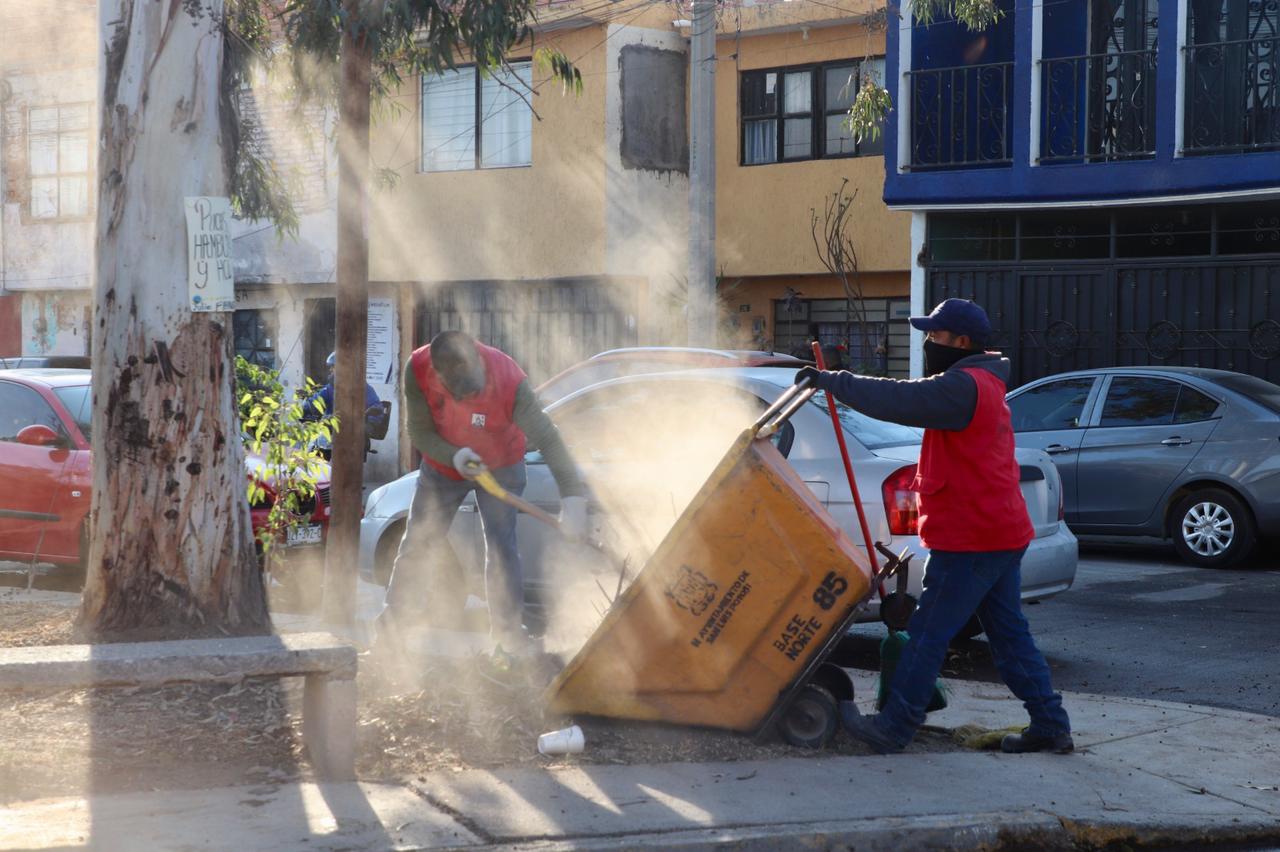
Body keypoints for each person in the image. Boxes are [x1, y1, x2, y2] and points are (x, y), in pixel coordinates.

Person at [796, 298, 1073, 755]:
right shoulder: (979, 382)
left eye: (936, 335)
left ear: (961, 342)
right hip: (997, 532)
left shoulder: (963, 387)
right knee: (1009, 635)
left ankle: (894, 727)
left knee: (927, 634)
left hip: (972, 537)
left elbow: (901, 398)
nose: (928, 343)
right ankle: (1050, 723)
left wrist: (834, 381)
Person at [378, 330, 587, 651]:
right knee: (419, 542)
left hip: (502, 464)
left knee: (502, 548)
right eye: (458, 390)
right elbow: (418, 430)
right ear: (438, 374)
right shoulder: (417, 368)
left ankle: (507, 637)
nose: (467, 395)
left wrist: (573, 498)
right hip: (444, 466)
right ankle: (391, 634)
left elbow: (548, 438)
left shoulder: (509, 380)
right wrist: (454, 455)